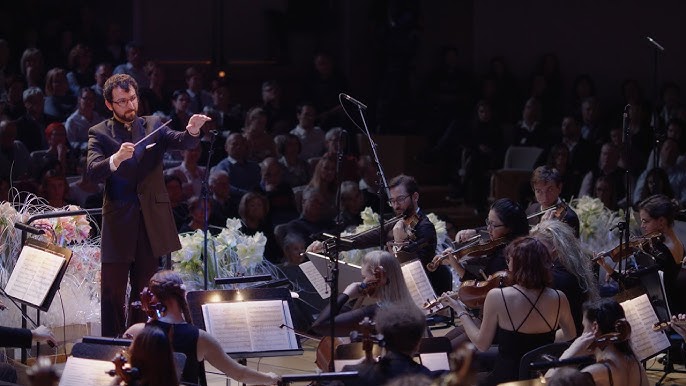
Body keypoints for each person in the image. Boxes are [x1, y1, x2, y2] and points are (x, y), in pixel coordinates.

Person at [87, 73, 210, 337]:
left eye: (132, 98)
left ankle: (143, 341)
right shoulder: (99, 133)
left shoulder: (153, 124)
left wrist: (193, 130)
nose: (130, 106)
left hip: (150, 221)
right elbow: (93, 171)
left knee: (147, 290)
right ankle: (111, 345)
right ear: (109, 104)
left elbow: (183, 141)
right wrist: (116, 159)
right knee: (113, 292)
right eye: (122, 101)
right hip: (119, 223)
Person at [440, 236, 576, 386]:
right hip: (539, 376)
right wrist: (542, 339)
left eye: (509, 260)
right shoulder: (559, 297)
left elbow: (481, 344)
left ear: (517, 265)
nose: (507, 265)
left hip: (505, 378)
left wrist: (459, 309)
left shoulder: (498, 296)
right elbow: (570, 335)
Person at [124, 270, 279, 385]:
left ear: (152, 297)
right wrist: (270, 378)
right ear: (183, 295)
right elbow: (239, 374)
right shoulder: (200, 338)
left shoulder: (137, 332)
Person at [308, 174, 452, 295]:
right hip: (398, 293)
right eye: (392, 201)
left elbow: (414, 271)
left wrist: (399, 242)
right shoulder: (397, 222)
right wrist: (326, 245)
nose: (396, 206)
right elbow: (358, 240)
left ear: (415, 197)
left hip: (424, 293)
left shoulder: (425, 228)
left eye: (400, 200)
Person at [310, 250, 417, 337]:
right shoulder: (411, 307)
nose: (363, 283)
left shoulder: (374, 313)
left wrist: (346, 295)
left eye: (364, 278)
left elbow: (319, 326)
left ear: (378, 277)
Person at [546, 298, 649, 386]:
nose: (582, 333)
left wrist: (570, 352)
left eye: (584, 326)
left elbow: (546, 383)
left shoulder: (595, 372)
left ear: (595, 327)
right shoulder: (635, 362)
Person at [532, 220, 599, 336]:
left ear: (554, 247)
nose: (531, 250)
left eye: (537, 245)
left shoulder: (558, 277)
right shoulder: (570, 267)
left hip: (568, 340)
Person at [340, 304, 435, 386]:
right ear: (418, 343)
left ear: (381, 336)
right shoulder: (430, 378)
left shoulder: (352, 376)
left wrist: (362, 369)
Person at [526, 166, 580, 237]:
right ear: (534, 190)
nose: (545, 197)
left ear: (559, 188)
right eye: (539, 191)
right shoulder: (531, 209)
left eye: (550, 190)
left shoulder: (569, 217)